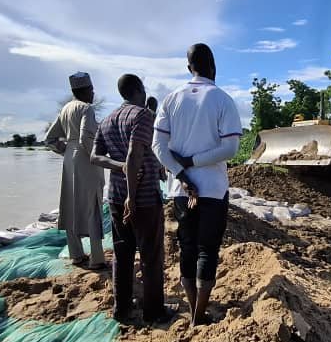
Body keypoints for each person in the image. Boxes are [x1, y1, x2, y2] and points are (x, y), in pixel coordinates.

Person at [152, 43, 242, 326]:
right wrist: (195, 161)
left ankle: (194, 310)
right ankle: (198, 316)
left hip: (181, 191)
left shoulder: (171, 99)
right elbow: (230, 148)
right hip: (213, 189)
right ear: (213, 66)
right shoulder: (222, 99)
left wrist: (181, 171)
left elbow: (158, 147)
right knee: (208, 250)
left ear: (189, 67)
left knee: (188, 247)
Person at [91, 74, 172, 323]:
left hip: (114, 197)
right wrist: (132, 197)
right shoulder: (143, 115)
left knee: (122, 254)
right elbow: (134, 154)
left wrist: (118, 167)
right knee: (151, 256)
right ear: (139, 89)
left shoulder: (107, 120)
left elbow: (95, 157)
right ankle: (153, 311)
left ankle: (122, 310)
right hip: (143, 198)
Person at [45, 72, 107, 270]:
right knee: (92, 206)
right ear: (86, 91)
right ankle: (97, 258)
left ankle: (76, 254)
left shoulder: (65, 109)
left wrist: (66, 151)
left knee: (71, 205)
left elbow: (49, 139)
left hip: (69, 160)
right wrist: (96, 156)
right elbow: (86, 138)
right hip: (85, 159)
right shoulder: (86, 108)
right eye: (91, 90)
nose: (93, 93)